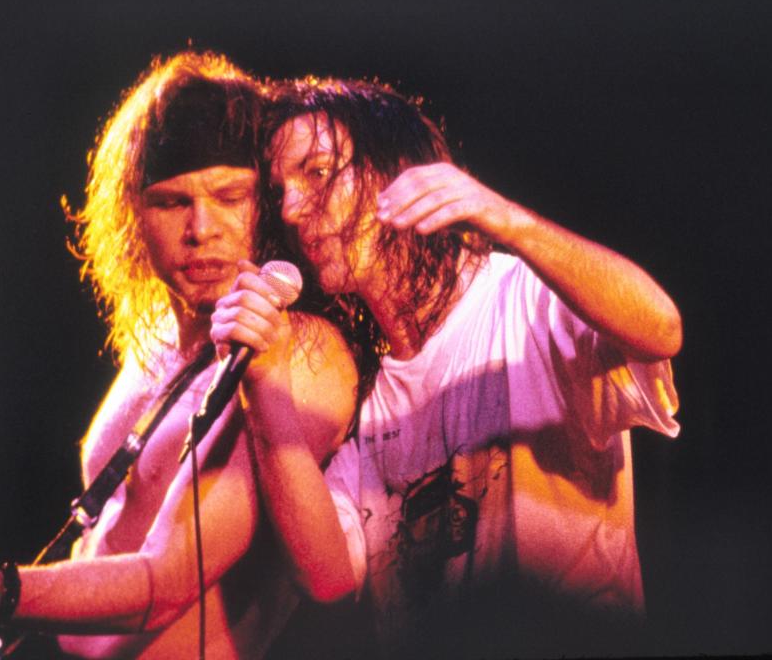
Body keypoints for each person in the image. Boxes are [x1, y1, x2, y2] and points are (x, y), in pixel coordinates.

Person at [0, 53, 359, 659]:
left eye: (230, 196)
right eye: (172, 202)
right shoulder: (152, 334)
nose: (201, 227)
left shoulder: (301, 354)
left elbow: (167, 581)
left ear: (269, 203)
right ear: (133, 213)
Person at [236, 77, 683, 658]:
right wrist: (261, 390)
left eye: (318, 172)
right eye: (281, 192)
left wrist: (506, 219)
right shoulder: (359, 382)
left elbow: (661, 328)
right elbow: (328, 581)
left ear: (397, 168)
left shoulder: (524, 298)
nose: (294, 210)